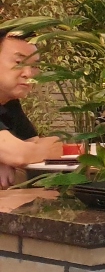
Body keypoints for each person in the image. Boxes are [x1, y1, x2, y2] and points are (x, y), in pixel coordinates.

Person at [0, 31, 63, 189]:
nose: (28, 74)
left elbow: (40, 143)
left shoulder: (10, 103)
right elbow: (19, 154)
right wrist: (12, 156)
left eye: (34, 66)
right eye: (19, 62)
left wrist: (7, 159)